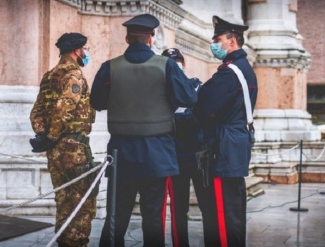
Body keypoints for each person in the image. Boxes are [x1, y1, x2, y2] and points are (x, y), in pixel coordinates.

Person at [90, 14, 200, 247]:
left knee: (116, 217)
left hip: (121, 154)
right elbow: (188, 97)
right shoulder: (167, 66)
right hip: (156, 153)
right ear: (151, 39)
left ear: (127, 38)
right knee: (152, 218)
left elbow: (97, 102)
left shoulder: (110, 67)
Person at [29, 32, 98, 247]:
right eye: (85, 49)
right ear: (77, 50)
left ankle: (63, 242)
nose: (86, 53)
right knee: (82, 201)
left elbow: (37, 111)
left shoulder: (50, 75)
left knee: (63, 199)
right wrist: (49, 136)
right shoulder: (73, 75)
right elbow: (65, 108)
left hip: (56, 149)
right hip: (73, 147)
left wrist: (43, 136)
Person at [195, 16, 258, 247]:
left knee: (222, 213)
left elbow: (204, 105)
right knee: (232, 209)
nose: (215, 44)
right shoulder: (242, 68)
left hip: (224, 148)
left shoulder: (231, 72)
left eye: (218, 39)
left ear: (232, 42)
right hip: (234, 144)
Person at [161, 48, 203, 247]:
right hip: (174, 158)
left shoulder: (195, 86)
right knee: (179, 207)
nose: (176, 65)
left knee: (207, 204)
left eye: (178, 61)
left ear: (184, 65)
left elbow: (199, 117)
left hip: (197, 157)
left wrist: (177, 119)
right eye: (171, 62)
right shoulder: (162, 92)